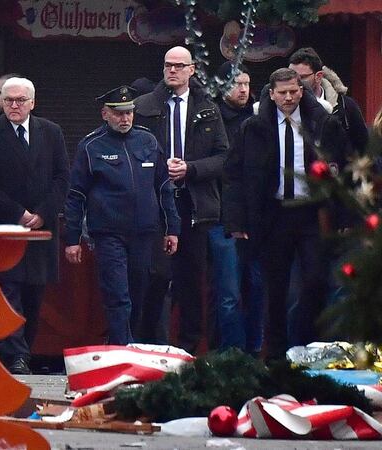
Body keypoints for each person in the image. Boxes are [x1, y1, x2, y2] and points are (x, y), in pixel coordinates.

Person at [222, 68, 350, 360]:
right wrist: (236, 220)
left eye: (294, 91)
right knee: (275, 289)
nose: (289, 97)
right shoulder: (253, 128)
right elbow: (234, 176)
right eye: (282, 93)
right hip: (273, 214)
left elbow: (343, 170)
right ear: (271, 94)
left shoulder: (322, 123)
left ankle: (308, 347)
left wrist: (343, 216)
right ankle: (277, 356)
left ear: (301, 90)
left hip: (310, 214)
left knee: (317, 280)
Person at [65, 86, 179, 345]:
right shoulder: (91, 146)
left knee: (139, 291)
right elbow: (76, 195)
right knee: (118, 294)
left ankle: (129, 341)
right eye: (118, 114)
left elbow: (163, 187)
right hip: (108, 233)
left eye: (129, 113)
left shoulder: (148, 141)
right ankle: (121, 346)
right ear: (105, 114)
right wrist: (72, 238)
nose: (125, 119)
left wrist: (172, 228)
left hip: (145, 233)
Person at [133, 46, 229, 354]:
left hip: (194, 204)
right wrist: (162, 170)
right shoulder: (144, 106)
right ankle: (149, 342)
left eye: (178, 66)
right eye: (167, 66)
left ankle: (188, 347)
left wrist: (191, 169)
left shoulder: (208, 108)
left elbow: (224, 157)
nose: (172, 71)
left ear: (192, 70)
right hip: (155, 204)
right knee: (157, 275)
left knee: (192, 279)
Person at [0, 77, 69, 374]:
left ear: (32, 103)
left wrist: (42, 212)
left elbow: (62, 177)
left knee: (34, 294)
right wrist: (17, 212)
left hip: (41, 229)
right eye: (8, 99)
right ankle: (16, 355)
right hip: (5, 227)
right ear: (0, 101)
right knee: (8, 292)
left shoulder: (51, 132)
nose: (13, 105)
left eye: (20, 100)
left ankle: (23, 350)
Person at [213, 61, 263, 355]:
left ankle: (254, 351)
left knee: (257, 288)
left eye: (246, 83)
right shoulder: (213, 117)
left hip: (257, 218)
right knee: (228, 292)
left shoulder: (260, 117)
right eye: (236, 83)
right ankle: (231, 353)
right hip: (223, 217)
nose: (243, 89)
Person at [288, 47, 367, 155]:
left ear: (318, 76)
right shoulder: (282, 106)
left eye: (302, 77)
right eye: (290, 76)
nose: (295, 82)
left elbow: (363, 147)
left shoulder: (345, 106)